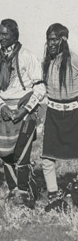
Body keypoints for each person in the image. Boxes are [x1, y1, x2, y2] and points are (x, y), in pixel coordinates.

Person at [0, 19, 46, 208]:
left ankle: (23, 193)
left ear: (15, 35)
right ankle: (13, 191)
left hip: (24, 111)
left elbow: (40, 87)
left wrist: (25, 109)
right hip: (4, 111)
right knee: (5, 155)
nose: (1, 37)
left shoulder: (27, 56)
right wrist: (1, 106)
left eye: (5, 34)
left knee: (22, 154)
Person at [41, 23, 78, 212]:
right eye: (49, 39)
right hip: (53, 114)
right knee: (47, 157)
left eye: (55, 39)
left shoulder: (74, 59)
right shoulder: (46, 61)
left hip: (74, 113)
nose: (51, 43)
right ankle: (54, 195)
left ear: (63, 39)